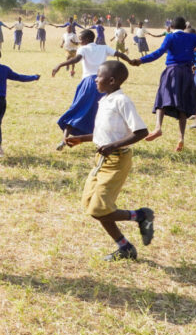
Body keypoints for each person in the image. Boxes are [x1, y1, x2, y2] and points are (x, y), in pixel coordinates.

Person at [63, 60, 155, 261]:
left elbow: (141, 132)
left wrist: (114, 146)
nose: (95, 79)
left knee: (99, 208)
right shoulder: (105, 100)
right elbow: (103, 132)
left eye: (99, 76)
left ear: (111, 80)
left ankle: (141, 215)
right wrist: (82, 139)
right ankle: (125, 247)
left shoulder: (122, 101)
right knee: (92, 207)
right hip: (101, 160)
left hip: (117, 160)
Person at [133, 17, 196, 152]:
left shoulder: (170, 37)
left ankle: (158, 127)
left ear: (171, 27)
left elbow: (158, 53)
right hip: (187, 73)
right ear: (184, 26)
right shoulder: (192, 37)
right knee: (183, 103)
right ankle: (181, 137)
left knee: (162, 98)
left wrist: (141, 60)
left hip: (172, 71)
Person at [53, 29, 133, 149]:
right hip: (105, 84)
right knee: (102, 114)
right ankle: (106, 141)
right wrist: (130, 61)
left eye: (80, 40)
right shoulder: (103, 47)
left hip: (89, 82)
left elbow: (77, 59)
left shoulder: (83, 49)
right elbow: (119, 54)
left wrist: (60, 64)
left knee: (76, 110)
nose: (79, 42)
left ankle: (64, 139)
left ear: (85, 40)